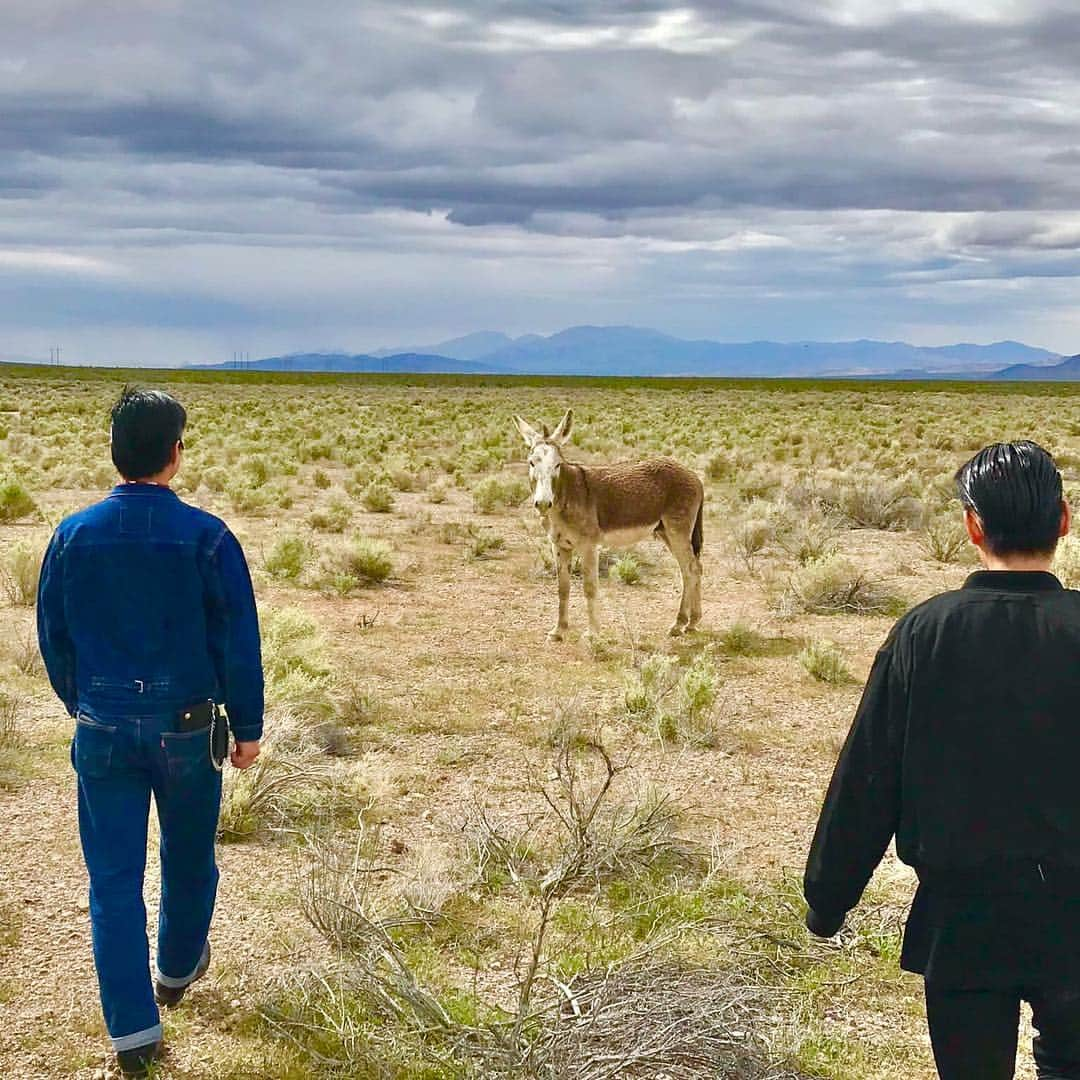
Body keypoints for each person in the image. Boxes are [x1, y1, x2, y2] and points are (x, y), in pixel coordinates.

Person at [803, 440, 1080, 1079]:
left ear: (972, 526)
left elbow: (867, 777)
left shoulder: (924, 633)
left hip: (963, 915)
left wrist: (829, 896)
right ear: (1063, 520)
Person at [37, 387, 264, 1078]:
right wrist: (247, 726)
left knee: (112, 882)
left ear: (115, 449)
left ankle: (134, 1035)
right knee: (191, 859)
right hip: (190, 731)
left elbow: (54, 637)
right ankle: (173, 971)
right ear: (175, 454)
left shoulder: (72, 536)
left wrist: (89, 703)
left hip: (102, 727)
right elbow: (237, 640)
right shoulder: (209, 536)